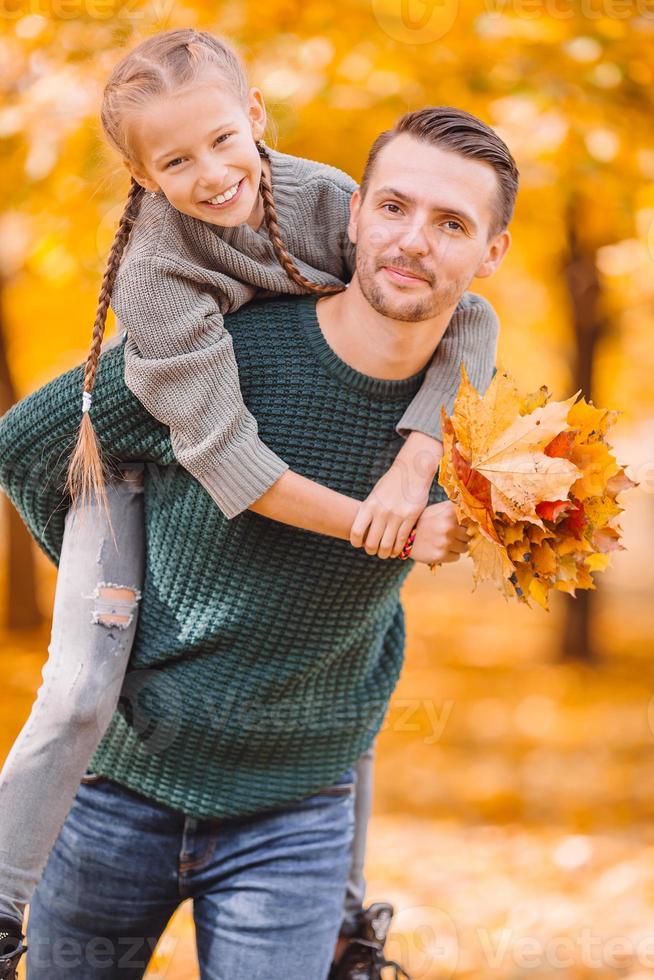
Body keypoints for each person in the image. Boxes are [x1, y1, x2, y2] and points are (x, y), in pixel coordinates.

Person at [0, 28, 501, 977]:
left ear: (257, 120)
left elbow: (468, 313)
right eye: (177, 161)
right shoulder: (160, 282)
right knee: (75, 687)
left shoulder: (329, 210)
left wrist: (413, 459)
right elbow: (47, 448)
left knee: (358, 665)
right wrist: (114, 576)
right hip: (123, 744)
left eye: (225, 142)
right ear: (142, 175)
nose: (213, 173)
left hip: (296, 803)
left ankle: (348, 926)